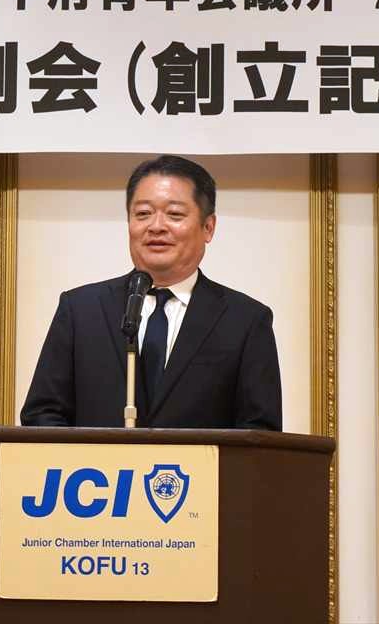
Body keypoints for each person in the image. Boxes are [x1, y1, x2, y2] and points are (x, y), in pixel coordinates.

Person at [20, 155, 282, 430]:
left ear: (208, 227)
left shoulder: (246, 321)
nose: (156, 226)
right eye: (143, 214)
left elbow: (259, 432)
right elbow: (42, 415)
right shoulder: (80, 311)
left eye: (175, 214)